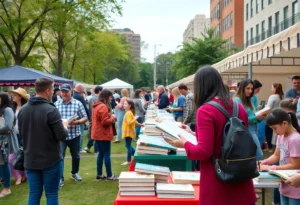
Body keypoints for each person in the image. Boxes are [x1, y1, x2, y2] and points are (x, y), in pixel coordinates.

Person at [165, 66, 256, 205]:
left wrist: (184, 143)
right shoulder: (238, 107)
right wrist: (194, 133)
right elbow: (232, 138)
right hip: (242, 179)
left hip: (219, 185)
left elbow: (204, 152)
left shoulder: (206, 110)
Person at [18, 78, 68, 204]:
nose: (53, 92)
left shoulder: (23, 110)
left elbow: (22, 132)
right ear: (47, 90)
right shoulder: (51, 110)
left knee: (34, 194)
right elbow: (62, 136)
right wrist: (65, 125)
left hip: (30, 159)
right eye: (52, 90)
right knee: (51, 194)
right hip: (50, 160)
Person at [260, 108, 300, 204]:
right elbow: (276, 155)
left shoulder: (295, 139)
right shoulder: (281, 136)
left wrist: (271, 168)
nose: (274, 132)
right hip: (284, 183)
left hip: (295, 186)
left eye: (275, 128)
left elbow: (295, 165)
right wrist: (264, 162)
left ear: (284, 123)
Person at [55, 84, 88, 186]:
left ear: (71, 92)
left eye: (66, 91)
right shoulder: (56, 104)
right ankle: (60, 178)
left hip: (74, 134)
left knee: (76, 156)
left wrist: (77, 122)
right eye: (62, 91)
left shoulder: (77, 103)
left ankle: (74, 173)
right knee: (60, 157)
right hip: (61, 136)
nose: (64, 93)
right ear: (60, 92)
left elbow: (85, 117)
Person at [234, 79, 265, 161]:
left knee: (251, 155)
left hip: (254, 129)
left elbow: (253, 115)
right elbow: (240, 119)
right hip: (246, 130)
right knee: (258, 154)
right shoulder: (237, 101)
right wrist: (256, 118)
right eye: (248, 88)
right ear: (242, 88)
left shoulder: (250, 99)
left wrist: (260, 117)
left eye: (251, 89)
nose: (250, 91)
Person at [91, 89, 118, 181]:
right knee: (106, 154)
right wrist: (112, 118)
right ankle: (109, 175)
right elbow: (105, 122)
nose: (111, 99)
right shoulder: (103, 106)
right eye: (110, 97)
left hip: (97, 133)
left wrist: (109, 116)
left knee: (101, 154)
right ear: (107, 96)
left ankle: (99, 174)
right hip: (103, 133)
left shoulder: (96, 105)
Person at [0, 93, 19, 198]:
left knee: (3, 163)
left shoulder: (7, 110)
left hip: (5, 141)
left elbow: (8, 126)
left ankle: (7, 188)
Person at [8, 87, 28, 185]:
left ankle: (24, 175)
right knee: (11, 158)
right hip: (14, 136)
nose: (13, 96)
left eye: (15, 95)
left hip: (25, 135)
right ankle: (18, 176)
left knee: (23, 156)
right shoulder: (11, 108)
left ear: (20, 97)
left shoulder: (27, 108)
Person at [121, 99, 143, 166]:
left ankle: (128, 160)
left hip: (128, 133)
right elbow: (133, 121)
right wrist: (139, 124)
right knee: (128, 145)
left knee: (128, 146)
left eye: (125, 104)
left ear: (130, 106)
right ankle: (135, 154)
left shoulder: (128, 113)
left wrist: (135, 119)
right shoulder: (129, 112)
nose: (124, 105)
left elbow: (130, 122)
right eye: (124, 104)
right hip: (128, 132)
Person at [265, 83, 284, 152]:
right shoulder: (283, 96)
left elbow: (268, 108)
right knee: (278, 133)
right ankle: (279, 147)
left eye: (272, 87)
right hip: (280, 117)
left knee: (268, 132)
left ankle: (270, 147)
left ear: (275, 88)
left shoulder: (273, 96)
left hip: (271, 117)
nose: (271, 89)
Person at [84, 86, 103, 153]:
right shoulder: (99, 99)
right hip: (97, 118)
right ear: (100, 91)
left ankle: (88, 146)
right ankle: (96, 149)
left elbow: (89, 108)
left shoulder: (91, 98)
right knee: (97, 133)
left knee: (93, 132)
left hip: (91, 117)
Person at [73, 83, 90, 153]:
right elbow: (84, 107)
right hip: (80, 117)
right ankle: (79, 148)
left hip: (75, 116)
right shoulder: (79, 96)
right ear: (80, 89)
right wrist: (88, 117)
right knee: (80, 133)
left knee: (77, 133)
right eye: (83, 89)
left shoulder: (74, 95)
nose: (83, 90)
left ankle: (77, 148)